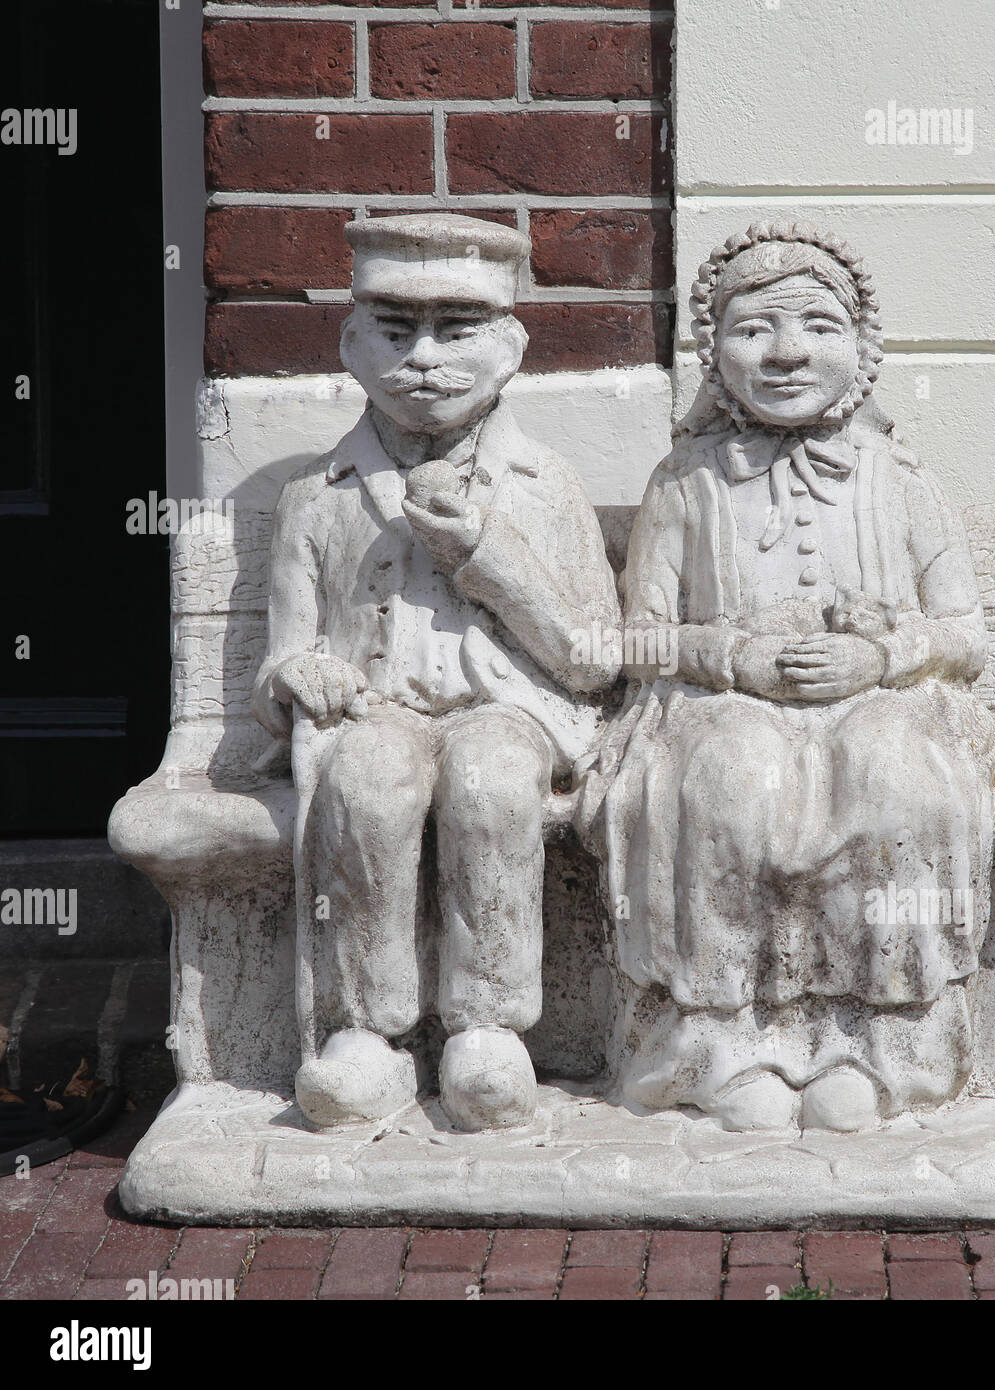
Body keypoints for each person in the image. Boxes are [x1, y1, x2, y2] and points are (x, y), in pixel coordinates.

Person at [581, 222, 995, 1132]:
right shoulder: (686, 482)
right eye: (752, 329)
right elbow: (639, 638)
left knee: (895, 782)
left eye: (818, 324)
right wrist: (733, 657)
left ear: (862, 348)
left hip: (885, 698)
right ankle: (723, 1044)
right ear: (713, 349)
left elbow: (966, 632)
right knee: (730, 784)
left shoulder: (900, 478)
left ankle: (884, 1040)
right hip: (721, 703)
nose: (786, 353)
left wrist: (883, 655)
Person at [253, 214, 620, 1131]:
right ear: (348, 343)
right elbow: (283, 655)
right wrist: (301, 678)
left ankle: (488, 1027)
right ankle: (368, 1031)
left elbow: (594, 658)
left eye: (456, 332)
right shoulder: (317, 497)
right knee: (368, 781)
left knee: (491, 784)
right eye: (393, 328)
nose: (423, 358)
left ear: (510, 348)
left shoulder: (544, 483)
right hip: (378, 714)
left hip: (510, 715)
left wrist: (485, 557)